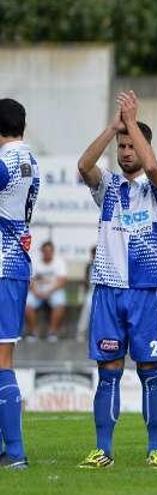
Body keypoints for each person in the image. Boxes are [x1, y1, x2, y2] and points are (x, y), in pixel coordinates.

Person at [76, 91, 157, 469]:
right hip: (108, 290)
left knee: (150, 372)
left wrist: (133, 124)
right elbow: (85, 165)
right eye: (122, 145)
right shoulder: (109, 187)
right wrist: (113, 127)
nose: (125, 150)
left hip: (146, 292)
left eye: (132, 145)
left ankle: (155, 449)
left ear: (145, 146)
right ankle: (104, 449)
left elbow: (154, 171)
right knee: (108, 372)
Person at [0, 98, 40, 470]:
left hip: (2, 265)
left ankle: (14, 452)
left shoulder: (6, 162)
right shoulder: (31, 160)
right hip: (13, 265)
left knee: (2, 361)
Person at [25, 240, 68, 342]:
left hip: (53, 291)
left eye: (49, 251)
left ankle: (53, 332)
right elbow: (29, 280)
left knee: (60, 303)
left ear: (53, 251)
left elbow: (62, 282)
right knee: (27, 304)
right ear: (42, 251)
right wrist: (35, 291)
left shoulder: (59, 262)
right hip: (37, 292)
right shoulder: (35, 262)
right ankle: (33, 332)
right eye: (45, 251)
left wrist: (48, 292)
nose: (47, 253)